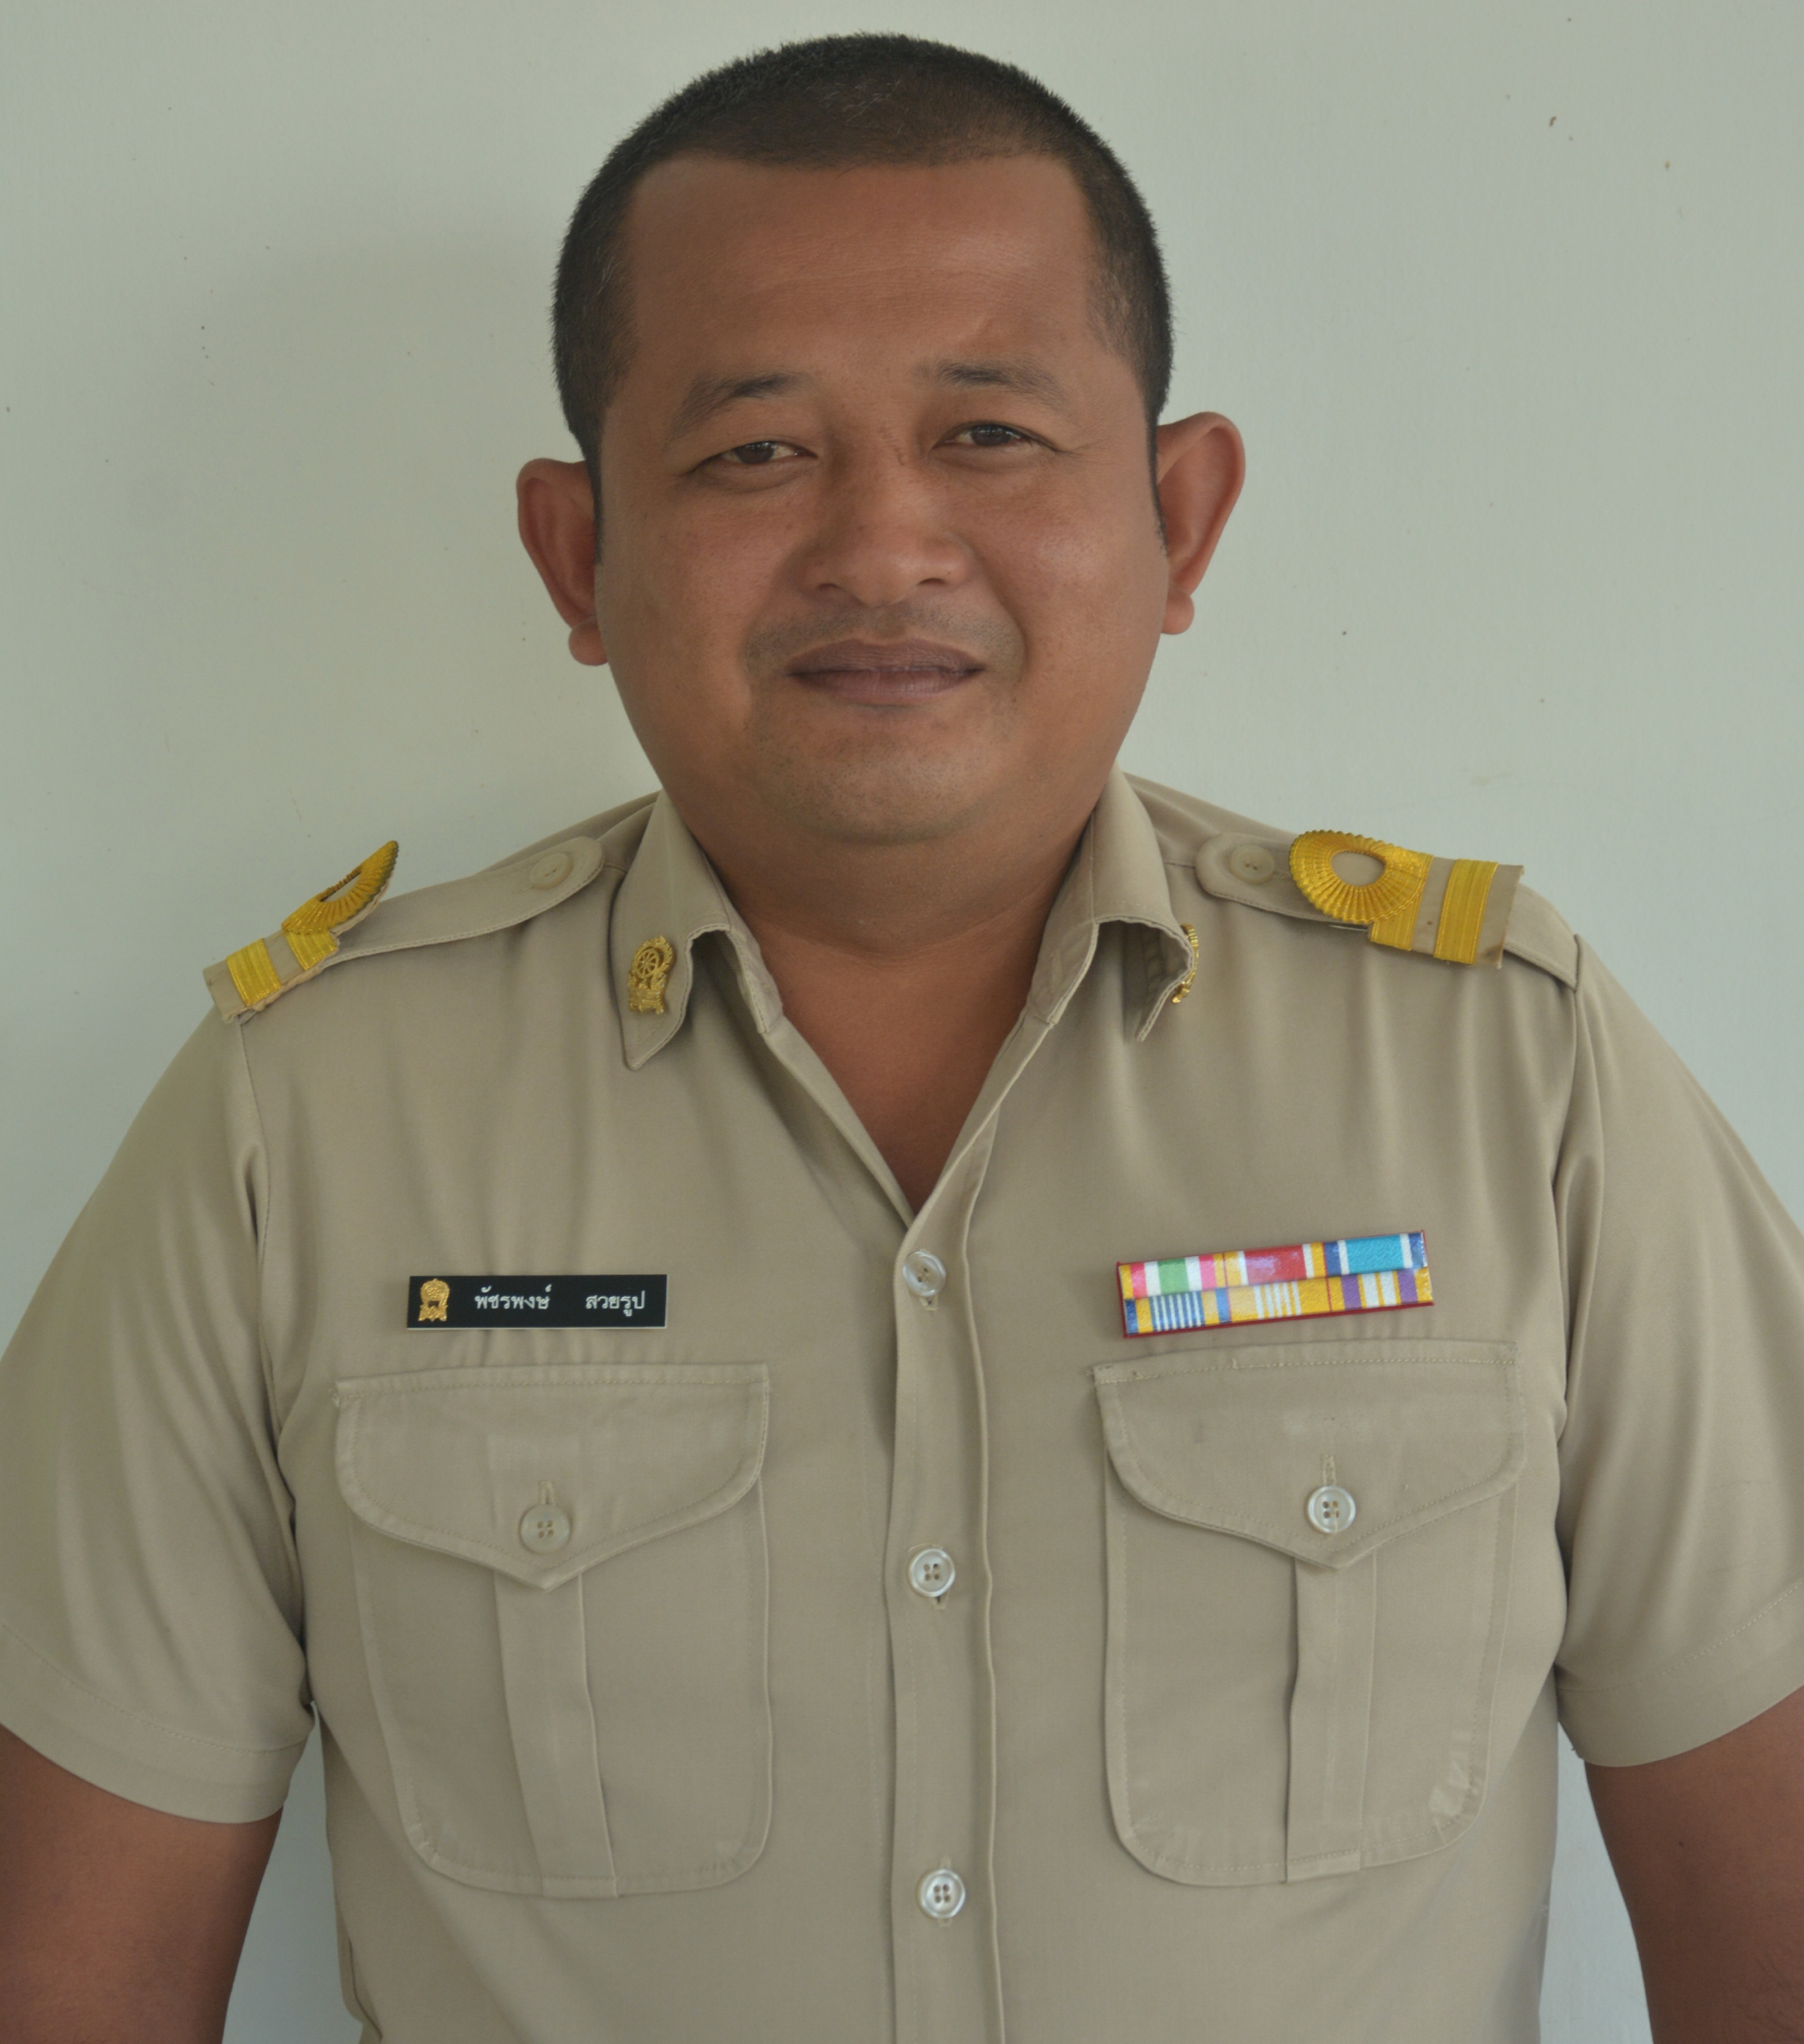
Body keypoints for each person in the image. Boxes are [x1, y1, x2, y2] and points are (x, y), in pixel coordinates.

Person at [2, 31, 1802, 2044]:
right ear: (579, 554)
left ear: (1181, 516)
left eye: (990, 435)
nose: (881, 546)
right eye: (756, 453)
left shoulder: (1507, 1077)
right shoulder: (305, 1125)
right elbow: (76, 1983)